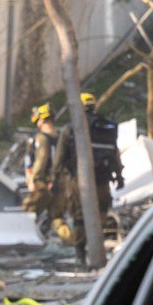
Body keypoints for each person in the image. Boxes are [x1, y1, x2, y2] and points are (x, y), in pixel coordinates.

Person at [53, 92, 124, 260]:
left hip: (78, 181)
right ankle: (97, 253)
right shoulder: (106, 128)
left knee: (79, 217)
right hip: (103, 180)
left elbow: (59, 159)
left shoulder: (69, 129)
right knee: (101, 213)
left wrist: (55, 180)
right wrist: (119, 177)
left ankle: (80, 255)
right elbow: (115, 154)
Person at [22, 103, 59, 236]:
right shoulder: (60, 137)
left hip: (43, 182)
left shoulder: (42, 138)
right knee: (56, 218)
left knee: (29, 211)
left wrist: (32, 179)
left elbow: (41, 160)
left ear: (42, 120)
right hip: (58, 183)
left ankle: (25, 239)